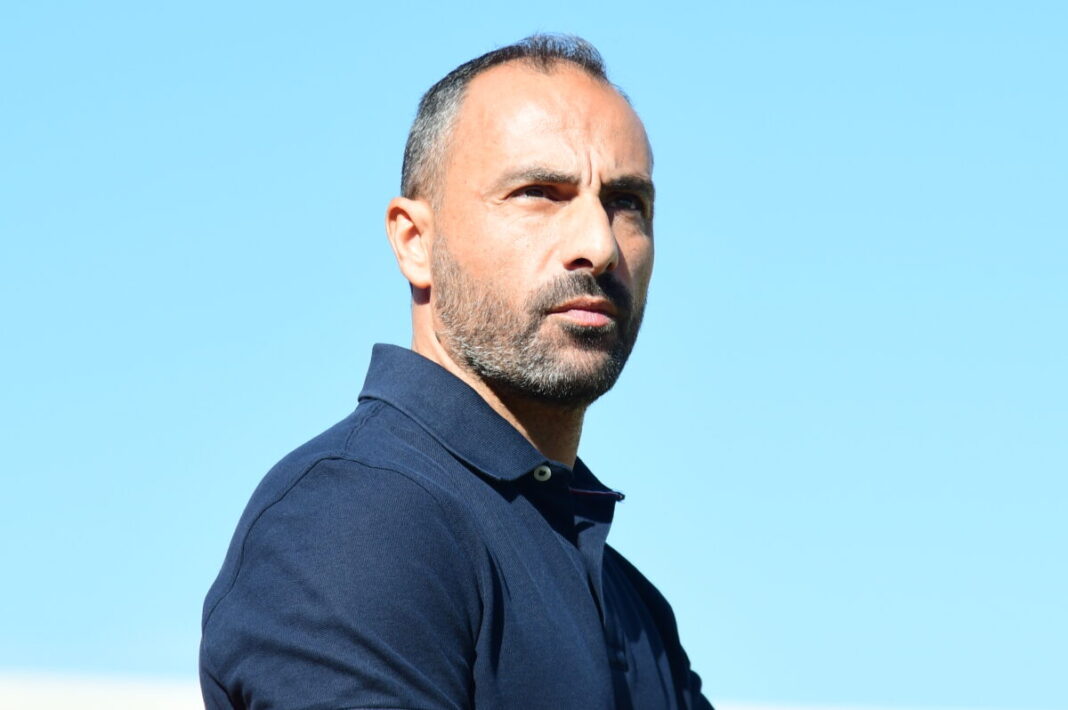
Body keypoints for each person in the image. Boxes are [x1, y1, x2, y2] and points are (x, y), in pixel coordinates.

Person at [200, 34, 713, 710]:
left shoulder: (635, 608)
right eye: (539, 193)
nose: (598, 244)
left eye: (626, 203)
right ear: (416, 242)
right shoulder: (358, 518)